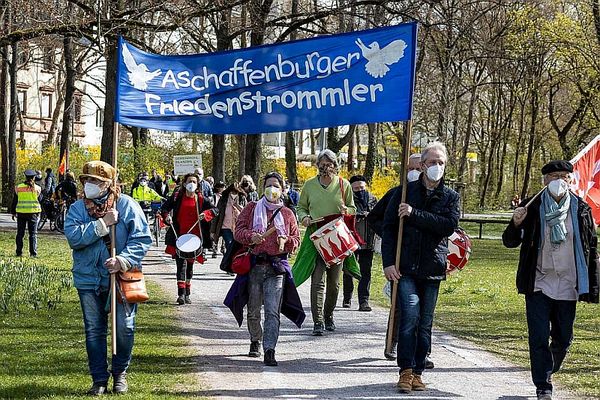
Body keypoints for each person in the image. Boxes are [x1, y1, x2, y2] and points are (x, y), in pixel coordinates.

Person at [502, 160, 599, 400]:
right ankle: (543, 384)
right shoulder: (531, 207)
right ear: (544, 181)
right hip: (538, 282)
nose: (559, 181)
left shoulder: (581, 209)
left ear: (570, 180)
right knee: (537, 336)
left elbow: (591, 247)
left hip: (569, 282)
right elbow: (509, 241)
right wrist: (516, 222)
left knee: (563, 337)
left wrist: (594, 283)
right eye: (553, 176)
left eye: (563, 177)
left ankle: (548, 366)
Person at [64, 161, 152, 395]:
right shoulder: (77, 209)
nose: (89, 185)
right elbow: (74, 238)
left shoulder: (127, 206)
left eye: (95, 181)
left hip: (121, 279)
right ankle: (99, 379)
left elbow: (142, 239)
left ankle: (120, 373)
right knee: (94, 330)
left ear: (108, 184)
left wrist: (122, 260)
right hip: (88, 279)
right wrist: (103, 225)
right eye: (86, 180)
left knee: (124, 328)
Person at [382, 142, 459, 393]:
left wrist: (415, 214)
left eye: (441, 163)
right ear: (423, 165)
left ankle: (418, 371)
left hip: (433, 267)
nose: (437, 166)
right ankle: (404, 370)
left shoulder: (450, 197)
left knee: (425, 322)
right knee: (410, 316)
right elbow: (389, 228)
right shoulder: (404, 192)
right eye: (432, 162)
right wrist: (388, 263)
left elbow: (447, 226)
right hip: (405, 268)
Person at [230, 171, 303, 366]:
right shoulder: (252, 208)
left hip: (276, 268)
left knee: (272, 311)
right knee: (253, 309)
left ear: (282, 189)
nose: (272, 189)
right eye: (269, 185)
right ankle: (256, 340)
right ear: (263, 188)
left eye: (276, 186)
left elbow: (296, 240)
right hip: (255, 266)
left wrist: (286, 240)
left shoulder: (287, 214)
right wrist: (250, 236)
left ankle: (270, 349)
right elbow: (238, 231)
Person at [293, 149, 358, 336]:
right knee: (317, 281)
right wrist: (304, 217)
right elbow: (301, 207)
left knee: (334, 283)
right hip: (317, 236)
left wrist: (347, 210)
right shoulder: (309, 185)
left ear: (335, 166)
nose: (325, 168)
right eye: (322, 164)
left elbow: (354, 209)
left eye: (329, 164)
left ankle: (329, 315)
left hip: (336, 237)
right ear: (317, 166)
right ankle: (318, 321)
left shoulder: (343, 184)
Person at [161, 173, 217, 305]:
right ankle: (181, 294)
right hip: (179, 235)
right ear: (184, 184)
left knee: (190, 266)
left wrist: (206, 214)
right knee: (180, 265)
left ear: (198, 185)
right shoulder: (177, 197)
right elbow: (165, 208)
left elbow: (215, 210)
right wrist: (167, 216)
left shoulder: (201, 199)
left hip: (195, 238)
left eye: (194, 181)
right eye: (189, 181)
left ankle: (188, 292)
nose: (191, 183)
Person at [342, 175, 378, 311]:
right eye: (356, 188)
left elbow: (379, 216)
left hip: (368, 242)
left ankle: (364, 301)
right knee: (349, 270)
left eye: (362, 187)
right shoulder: (347, 200)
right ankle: (347, 297)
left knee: (366, 272)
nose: (359, 190)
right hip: (351, 241)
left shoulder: (373, 199)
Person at [10, 169, 42, 257]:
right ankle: (33, 253)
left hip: (21, 213)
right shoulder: (37, 188)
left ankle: (19, 252)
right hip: (33, 213)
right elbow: (40, 200)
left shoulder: (18, 187)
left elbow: (15, 200)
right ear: (34, 177)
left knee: (20, 233)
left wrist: (13, 212)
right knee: (33, 234)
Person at [211, 183, 247, 258]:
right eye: (232, 192)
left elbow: (247, 212)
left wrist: (238, 206)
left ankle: (234, 261)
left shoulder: (242, 198)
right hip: (225, 227)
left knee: (238, 246)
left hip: (238, 227)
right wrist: (213, 230)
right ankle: (230, 261)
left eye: (236, 192)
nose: (234, 194)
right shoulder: (224, 199)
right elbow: (217, 214)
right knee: (229, 243)